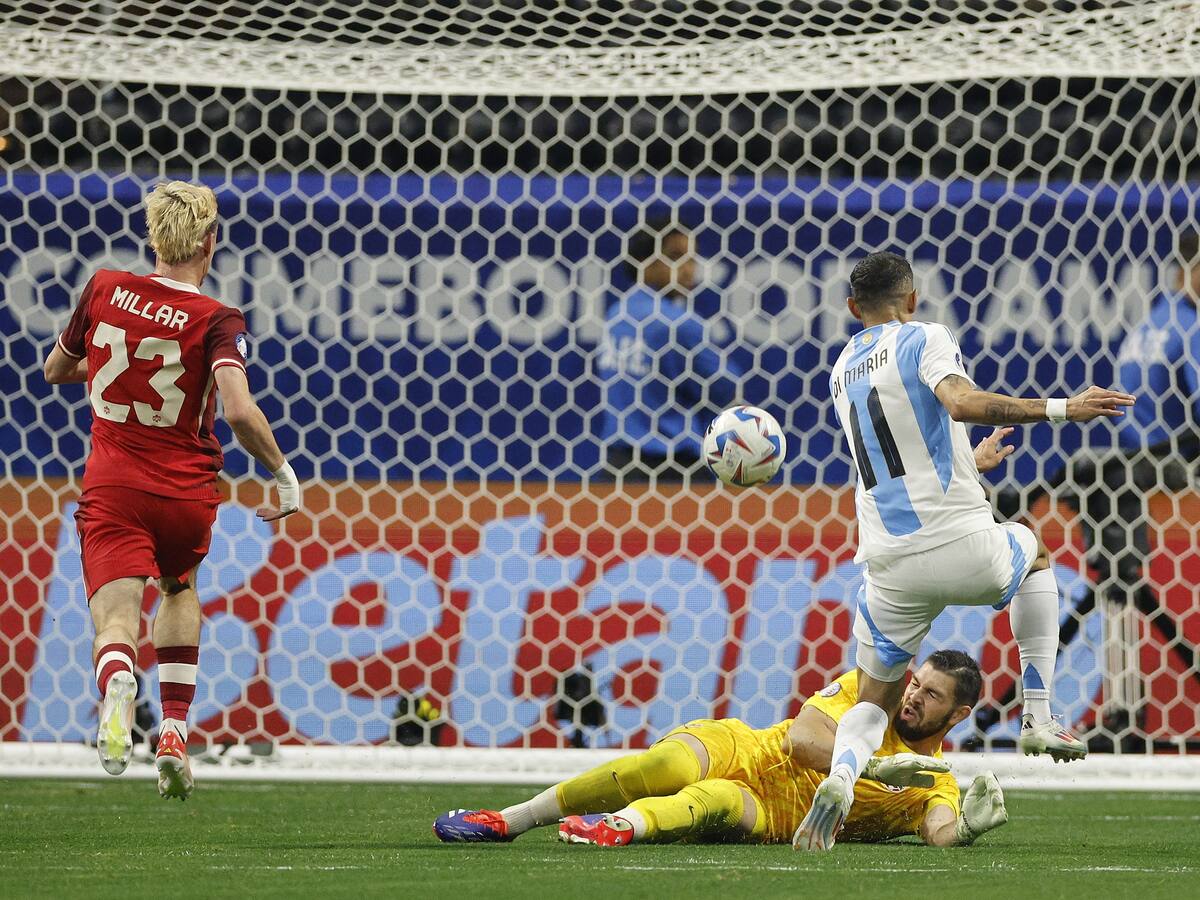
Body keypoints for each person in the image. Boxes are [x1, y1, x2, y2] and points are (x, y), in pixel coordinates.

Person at [794, 251, 1135, 851]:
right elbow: (959, 402)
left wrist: (967, 462)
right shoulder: (924, 336)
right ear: (913, 299)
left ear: (852, 309)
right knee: (1035, 555)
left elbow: (900, 450)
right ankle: (1036, 715)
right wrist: (1065, 408)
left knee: (872, 699)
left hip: (888, 565)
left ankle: (843, 775)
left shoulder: (842, 367)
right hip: (957, 541)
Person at [43, 181, 300, 799]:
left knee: (114, 616)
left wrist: (116, 368)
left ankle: (117, 684)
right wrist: (281, 471)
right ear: (210, 243)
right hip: (186, 491)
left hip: (113, 486)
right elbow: (237, 411)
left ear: (153, 239)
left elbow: (55, 370)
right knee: (179, 586)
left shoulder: (104, 287)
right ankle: (176, 733)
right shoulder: (218, 319)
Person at [433, 651, 1007, 849]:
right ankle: (509, 820)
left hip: (780, 813)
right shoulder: (868, 691)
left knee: (710, 803)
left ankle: (618, 828)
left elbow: (938, 828)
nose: (911, 697)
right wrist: (876, 767)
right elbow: (806, 742)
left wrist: (967, 830)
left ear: (957, 716)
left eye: (930, 697)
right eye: (915, 683)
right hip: (748, 748)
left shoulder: (933, 780)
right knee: (664, 765)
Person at [597, 217, 743, 483]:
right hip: (671, 469)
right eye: (676, 256)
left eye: (692, 258)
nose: (688, 270)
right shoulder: (680, 324)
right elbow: (724, 388)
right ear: (645, 262)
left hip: (617, 466)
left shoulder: (616, 313)